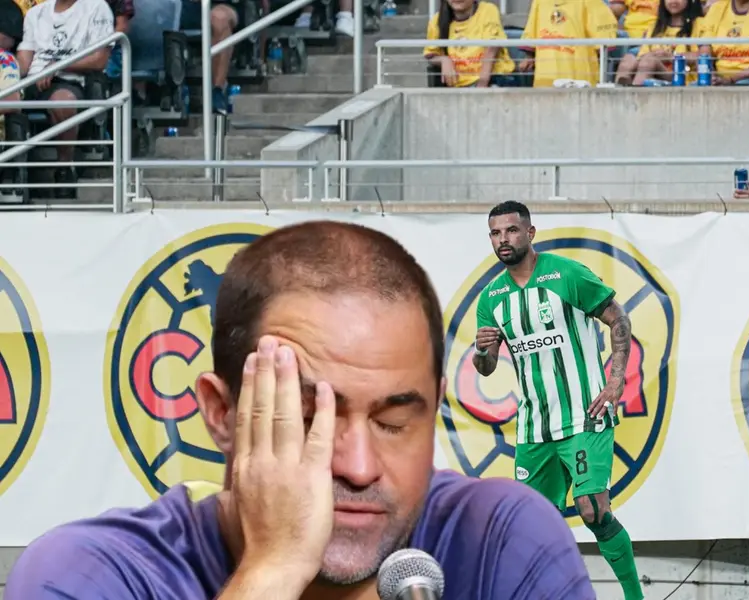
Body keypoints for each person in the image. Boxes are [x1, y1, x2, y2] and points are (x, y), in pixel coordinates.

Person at [6, 221, 595, 599]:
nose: (360, 467)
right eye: (310, 419)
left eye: (394, 423)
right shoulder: (90, 575)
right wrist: (272, 569)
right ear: (221, 413)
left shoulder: (498, 539)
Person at [472, 201, 644, 600]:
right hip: (535, 426)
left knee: (591, 509)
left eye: (512, 231)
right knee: (535, 527)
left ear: (530, 234)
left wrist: (615, 379)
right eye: (496, 233)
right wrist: (483, 351)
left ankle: (635, 596)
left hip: (585, 415)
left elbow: (619, 318)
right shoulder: (491, 298)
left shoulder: (565, 274)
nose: (504, 239)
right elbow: (486, 367)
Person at [16, 0, 113, 196]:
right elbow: (24, 63)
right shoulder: (36, 13)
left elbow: (99, 59)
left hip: (72, 79)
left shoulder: (96, 7)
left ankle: (65, 168)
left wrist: (58, 66)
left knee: (63, 101)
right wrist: (9, 76)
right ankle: (12, 175)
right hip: (34, 80)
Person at [424, 0, 517, 88]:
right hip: (458, 87)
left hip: (495, 80)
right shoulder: (437, 20)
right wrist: (444, 60)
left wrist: (481, 85)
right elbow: (431, 54)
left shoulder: (488, 10)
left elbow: (492, 49)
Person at [613, 0, 703, 87]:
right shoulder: (655, 26)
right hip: (653, 72)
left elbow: (702, 55)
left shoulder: (699, 24)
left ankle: (634, 94)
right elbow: (642, 55)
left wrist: (669, 56)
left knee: (649, 61)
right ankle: (621, 90)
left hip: (681, 75)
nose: (673, 1)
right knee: (628, 59)